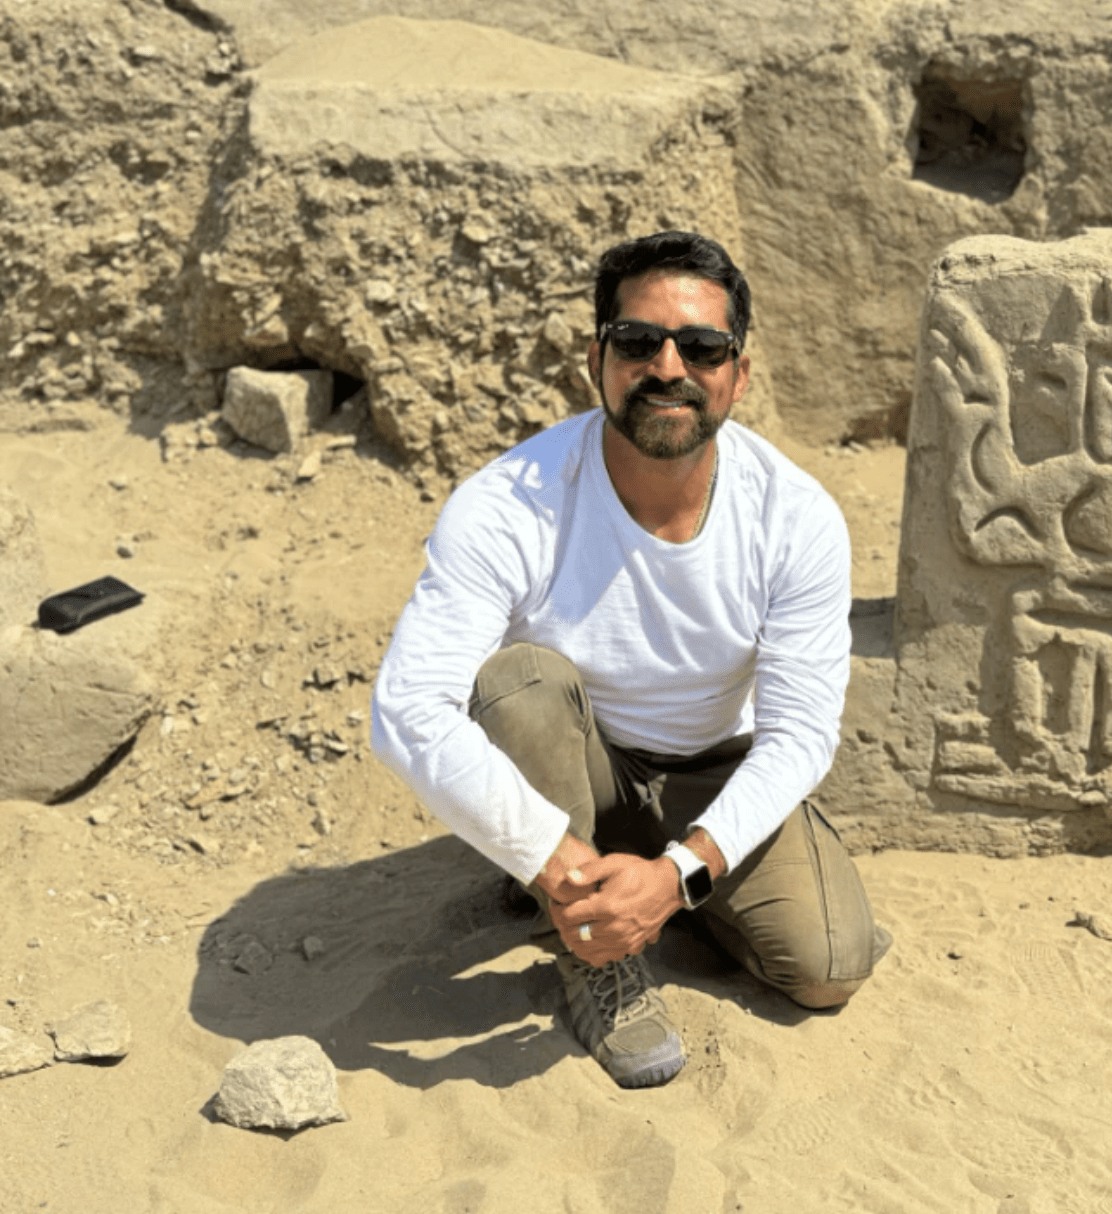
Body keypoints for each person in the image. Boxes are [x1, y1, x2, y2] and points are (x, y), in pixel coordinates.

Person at [371, 230, 886, 1088]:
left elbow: (797, 737)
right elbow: (407, 710)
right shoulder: (509, 504)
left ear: (739, 375)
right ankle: (586, 936)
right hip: (575, 760)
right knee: (517, 683)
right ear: (596, 360)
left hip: (709, 771)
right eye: (639, 342)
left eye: (704, 348)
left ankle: (629, 891)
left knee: (829, 965)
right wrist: (557, 858)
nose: (668, 367)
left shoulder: (796, 517)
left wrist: (676, 874)